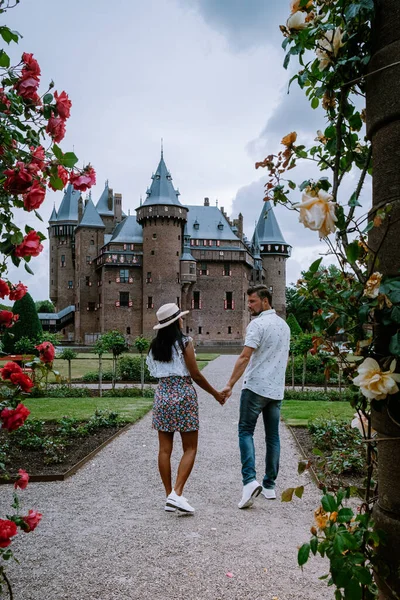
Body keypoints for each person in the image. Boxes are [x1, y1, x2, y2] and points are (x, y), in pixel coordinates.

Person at [147, 302, 225, 515]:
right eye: (180, 317)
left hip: (162, 395)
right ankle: (177, 493)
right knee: (190, 448)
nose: (183, 319)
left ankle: (168, 496)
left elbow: (156, 372)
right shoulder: (185, 343)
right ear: (176, 322)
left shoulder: (155, 346)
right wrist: (216, 394)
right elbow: (196, 375)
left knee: (164, 450)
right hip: (183, 395)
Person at [222, 285, 290, 509]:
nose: (249, 305)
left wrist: (230, 384)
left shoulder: (257, 325)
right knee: (273, 437)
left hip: (255, 388)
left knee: (245, 431)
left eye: (252, 302)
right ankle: (270, 485)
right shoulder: (284, 326)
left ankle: (249, 481)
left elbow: (244, 357)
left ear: (266, 301)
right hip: (275, 390)